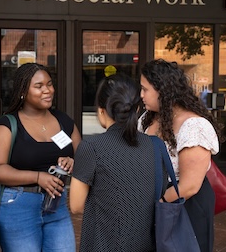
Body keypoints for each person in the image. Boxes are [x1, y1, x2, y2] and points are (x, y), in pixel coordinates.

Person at [0, 63, 81, 252]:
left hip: (56, 205)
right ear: (22, 92)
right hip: (17, 206)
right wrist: (37, 177)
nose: (48, 90)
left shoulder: (64, 121)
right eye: (39, 86)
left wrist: (73, 162)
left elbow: (84, 158)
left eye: (50, 84)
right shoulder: (7, 125)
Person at [69, 73, 162, 252]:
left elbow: (76, 205)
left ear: (101, 110)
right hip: (147, 245)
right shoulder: (155, 145)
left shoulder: (91, 147)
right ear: (136, 110)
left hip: (103, 244)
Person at [139, 59, 223, 252]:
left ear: (163, 90)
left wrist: (158, 205)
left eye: (145, 89)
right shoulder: (146, 119)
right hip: (156, 201)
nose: (141, 95)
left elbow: (189, 186)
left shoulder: (194, 126)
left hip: (185, 206)